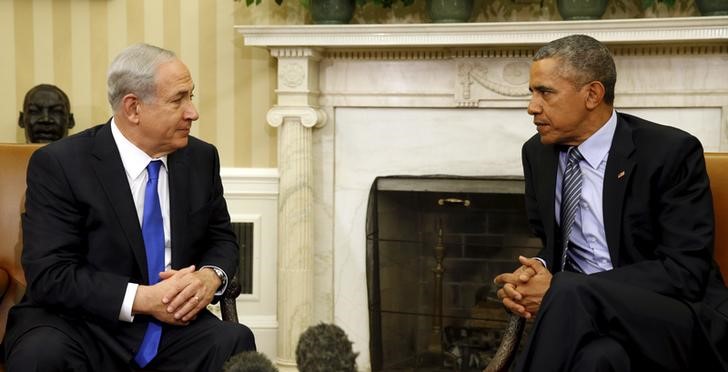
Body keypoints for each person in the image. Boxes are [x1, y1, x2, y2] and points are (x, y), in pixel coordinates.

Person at [3, 43, 256, 371]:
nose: (193, 112)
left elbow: (221, 239)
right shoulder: (60, 165)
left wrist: (211, 278)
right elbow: (51, 274)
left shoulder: (200, 158)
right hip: (80, 322)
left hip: (172, 327)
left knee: (234, 342)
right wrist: (144, 299)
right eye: (178, 99)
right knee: (40, 355)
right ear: (133, 108)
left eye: (191, 96)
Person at [494, 34, 728, 371]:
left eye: (545, 92)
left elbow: (684, 272)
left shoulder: (669, 152)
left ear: (592, 94)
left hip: (672, 314)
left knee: (569, 293)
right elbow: (554, 245)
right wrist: (535, 272)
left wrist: (567, 287)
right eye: (532, 93)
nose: (532, 106)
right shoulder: (537, 153)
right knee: (598, 360)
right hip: (588, 319)